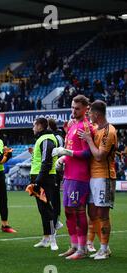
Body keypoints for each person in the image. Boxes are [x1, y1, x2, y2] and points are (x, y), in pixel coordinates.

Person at [53, 95, 94, 259]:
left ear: (86, 109)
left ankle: (82, 249)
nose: (73, 111)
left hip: (80, 176)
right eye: (72, 107)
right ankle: (74, 245)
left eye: (77, 108)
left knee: (78, 211)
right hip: (69, 175)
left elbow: (87, 153)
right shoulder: (72, 126)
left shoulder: (86, 127)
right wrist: (63, 159)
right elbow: (71, 148)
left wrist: (67, 152)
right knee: (69, 211)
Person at [78, 100, 117, 260]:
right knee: (93, 212)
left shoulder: (109, 131)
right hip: (93, 176)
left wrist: (88, 139)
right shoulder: (96, 129)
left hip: (105, 176)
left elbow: (100, 156)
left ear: (97, 114)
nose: (89, 116)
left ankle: (104, 249)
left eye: (90, 113)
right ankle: (93, 245)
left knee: (103, 213)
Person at [28, 117, 59, 251]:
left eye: (34, 125)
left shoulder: (47, 139)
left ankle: (53, 239)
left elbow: (46, 162)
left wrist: (38, 181)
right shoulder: (41, 139)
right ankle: (46, 238)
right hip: (39, 177)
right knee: (42, 209)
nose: (33, 128)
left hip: (45, 179)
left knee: (47, 209)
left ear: (40, 126)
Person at [48, 118, 64, 229]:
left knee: (54, 197)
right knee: (50, 197)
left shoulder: (57, 137)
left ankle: (56, 220)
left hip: (55, 171)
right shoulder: (52, 136)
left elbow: (60, 152)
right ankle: (54, 219)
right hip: (50, 170)